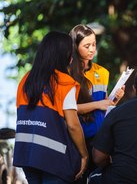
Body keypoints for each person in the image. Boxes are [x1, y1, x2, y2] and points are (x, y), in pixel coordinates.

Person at [13, 31, 88, 184]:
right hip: (53, 158)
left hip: (27, 154)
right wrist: (84, 154)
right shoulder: (64, 83)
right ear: (63, 55)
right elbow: (73, 126)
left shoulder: (26, 80)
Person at [69, 24, 125, 183]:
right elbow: (69, 109)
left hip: (101, 139)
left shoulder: (102, 72)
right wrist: (99, 104)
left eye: (94, 44)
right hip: (77, 140)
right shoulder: (67, 74)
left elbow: (105, 105)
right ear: (75, 46)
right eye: (87, 46)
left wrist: (114, 100)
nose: (92, 49)